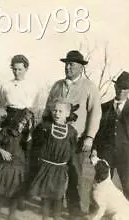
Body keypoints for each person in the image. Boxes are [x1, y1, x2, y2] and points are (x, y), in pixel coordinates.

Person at [44, 50, 101, 217]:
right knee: (54, 172)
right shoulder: (57, 86)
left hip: (76, 140)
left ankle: (74, 211)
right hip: (55, 138)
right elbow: (48, 109)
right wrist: (45, 129)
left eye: (72, 64)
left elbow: (95, 114)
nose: (68, 67)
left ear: (81, 67)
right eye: (66, 64)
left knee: (75, 175)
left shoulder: (89, 88)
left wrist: (89, 137)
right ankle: (55, 208)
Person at [91, 71, 129, 211]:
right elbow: (97, 131)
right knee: (99, 186)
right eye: (118, 87)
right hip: (106, 154)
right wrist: (94, 149)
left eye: (124, 88)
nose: (121, 90)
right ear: (115, 87)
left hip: (127, 154)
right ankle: (94, 215)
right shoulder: (104, 107)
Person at [0, 54, 37, 210]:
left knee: (22, 159)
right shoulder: (6, 85)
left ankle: (20, 196)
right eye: (14, 69)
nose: (17, 72)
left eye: (20, 69)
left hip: (25, 120)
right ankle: (4, 195)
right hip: (8, 119)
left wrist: (26, 125)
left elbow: (32, 107)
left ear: (26, 69)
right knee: (7, 157)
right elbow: (2, 105)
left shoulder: (32, 85)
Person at [29, 100, 78, 220]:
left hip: (61, 167)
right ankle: (45, 217)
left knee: (58, 195)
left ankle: (56, 216)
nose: (57, 113)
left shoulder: (71, 131)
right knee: (45, 195)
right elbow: (36, 142)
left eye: (60, 111)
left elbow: (72, 150)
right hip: (46, 166)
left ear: (67, 114)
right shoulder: (45, 127)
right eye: (54, 110)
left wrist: (70, 166)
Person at [0, 109, 34, 220]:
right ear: (16, 120)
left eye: (26, 124)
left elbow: (28, 150)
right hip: (6, 166)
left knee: (15, 192)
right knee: (1, 191)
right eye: (21, 122)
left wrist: (29, 136)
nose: (22, 126)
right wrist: (1, 151)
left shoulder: (26, 137)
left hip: (18, 167)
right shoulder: (6, 131)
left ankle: (11, 215)